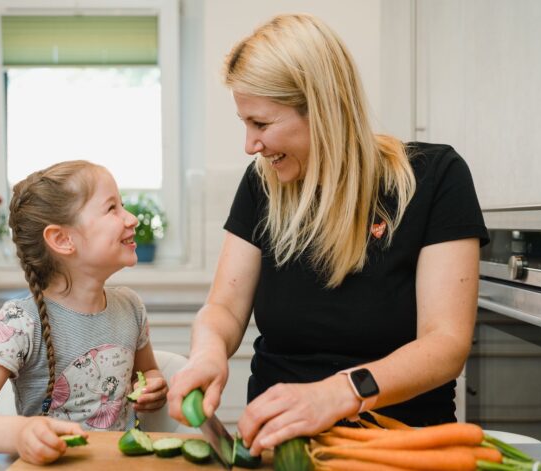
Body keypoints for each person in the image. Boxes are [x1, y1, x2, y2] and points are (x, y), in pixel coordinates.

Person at [167, 13, 489, 456]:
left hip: (397, 448)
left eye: (261, 124)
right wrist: (207, 352)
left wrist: (337, 394)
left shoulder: (436, 177)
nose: (250, 145)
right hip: (282, 449)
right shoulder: (262, 184)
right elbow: (223, 307)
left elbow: (445, 343)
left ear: (321, 108)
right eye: (245, 123)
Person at [0, 160, 168, 464]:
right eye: (112, 209)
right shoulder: (20, 323)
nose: (131, 218)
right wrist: (20, 432)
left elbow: (146, 372)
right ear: (62, 239)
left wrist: (152, 384)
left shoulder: (130, 307)